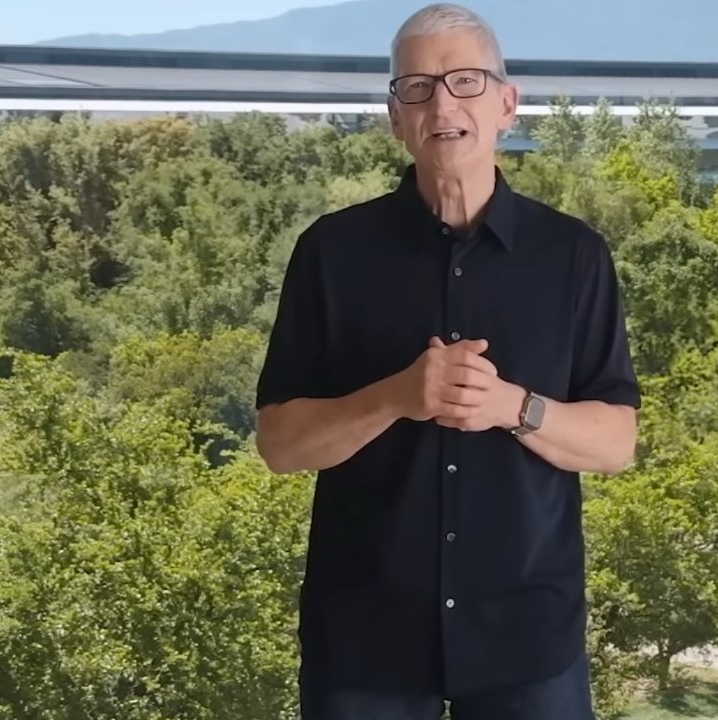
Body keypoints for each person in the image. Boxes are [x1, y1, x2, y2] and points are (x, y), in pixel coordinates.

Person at [253, 3, 641, 719]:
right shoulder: (332, 254)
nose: (443, 104)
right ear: (395, 116)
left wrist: (513, 409)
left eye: (466, 81)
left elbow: (616, 443)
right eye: (418, 87)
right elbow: (280, 445)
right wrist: (396, 397)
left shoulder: (573, 256)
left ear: (507, 104)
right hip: (365, 643)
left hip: (530, 642)